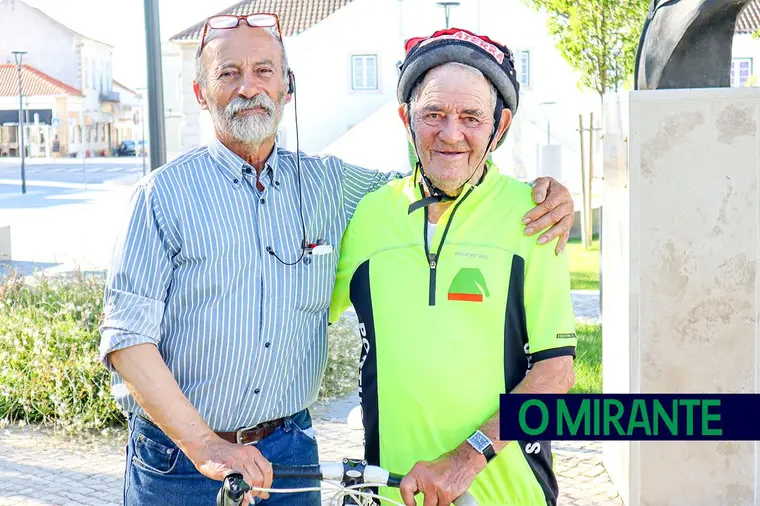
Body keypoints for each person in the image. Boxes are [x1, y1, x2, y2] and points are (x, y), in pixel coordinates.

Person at [99, 13, 575, 506]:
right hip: (179, 463)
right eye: (228, 73)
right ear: (201, 92)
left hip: (287, 455)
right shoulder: (161, 196)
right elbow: (127, 339)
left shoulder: (334, 188)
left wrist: (547, 194)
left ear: (288, 88)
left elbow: (444, 172)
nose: (248, 88)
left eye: (264, 71)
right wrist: (205, 445)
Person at [329, 28, 578, 506]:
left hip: (509, 495)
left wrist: (465, 460)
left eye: (471, 117)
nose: (451, 133)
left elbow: (557, 372)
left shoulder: (535, 216)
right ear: (406, 119)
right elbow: (302, 317)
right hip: (393, 491)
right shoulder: (368, 217)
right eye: (433, 114)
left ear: (499, 127)